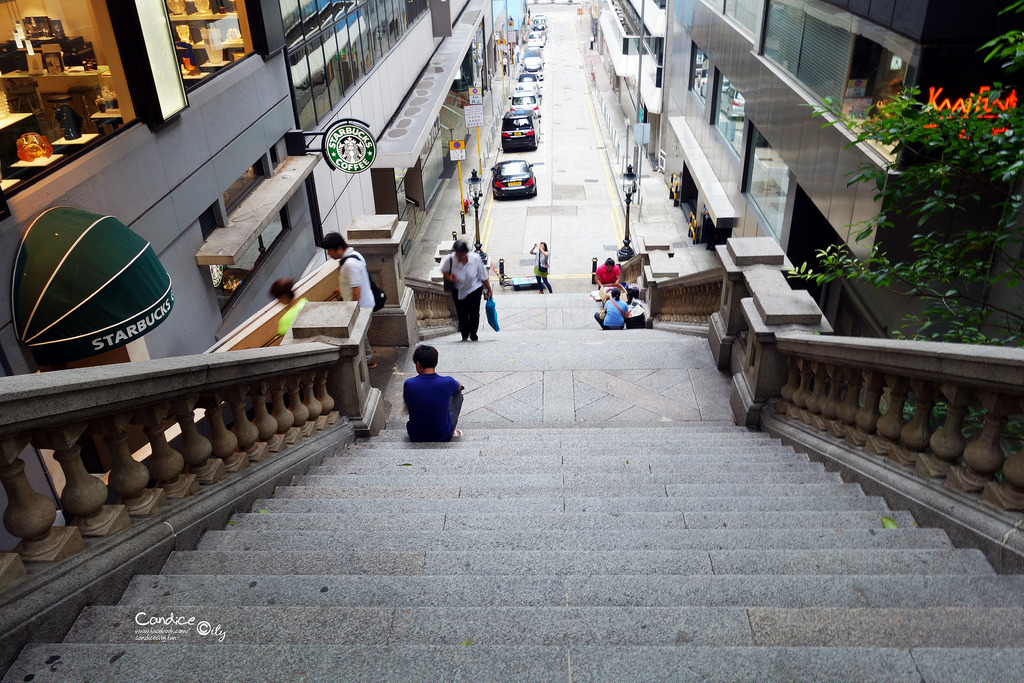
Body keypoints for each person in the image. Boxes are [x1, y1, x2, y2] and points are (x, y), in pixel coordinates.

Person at [323, 232, 377, 369]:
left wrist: (353, 310)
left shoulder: (349, 264)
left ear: (339, 248)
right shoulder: (356, 255)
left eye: (330, 250)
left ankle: (369, 359)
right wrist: (341, 288)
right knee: (361, 333)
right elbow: (355, 281)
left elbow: (356, 289)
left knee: (359, 333)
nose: (329, 254)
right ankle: (369, 359)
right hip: (365, 302)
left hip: (360, 306)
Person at [403, 345, 464, 441]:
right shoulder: (448, 382)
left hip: (415, 436)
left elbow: (407, 406)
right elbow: (460, 386)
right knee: (458, 394)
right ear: (436, 362)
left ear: (418, 364)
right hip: (443, 436)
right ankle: (451, 431)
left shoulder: (409, 383)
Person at [442, 241, 493, 341]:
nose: (459, 257)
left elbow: (483, 276)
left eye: (461, 254)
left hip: (474, 289)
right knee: (462, 314)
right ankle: (464, 336)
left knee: (474, 313)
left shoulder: (475, 259)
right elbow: (444, 271)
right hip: (458, 290)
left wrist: (489, 289)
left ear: (466, 252)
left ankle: (473, 334)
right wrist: (450, 278)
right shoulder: (451, 259)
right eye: (457, 254)